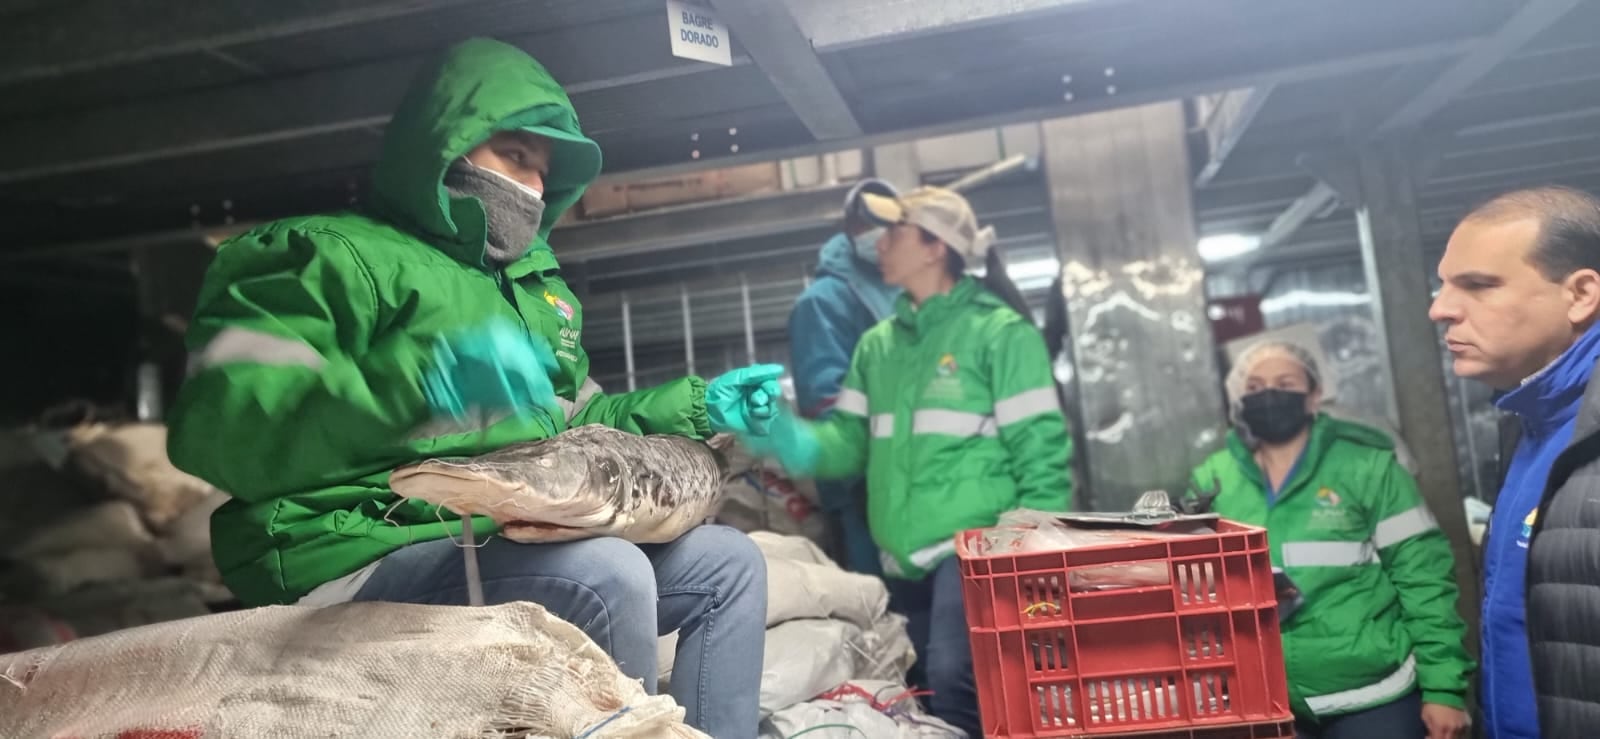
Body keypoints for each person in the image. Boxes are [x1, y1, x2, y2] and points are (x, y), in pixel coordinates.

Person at [164, 37, 779, 739]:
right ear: (442, 145)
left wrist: (698, 406)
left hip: (482, 533)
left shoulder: (532, 293)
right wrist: (421, 381)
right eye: (516, 158)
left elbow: (569, 425)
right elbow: (225, 429)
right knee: (605, 576)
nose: (534, 190)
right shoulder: (318, 255)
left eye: (544, 173)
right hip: (347, 546)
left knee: (728, 564)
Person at [732, 185, 1074, 735]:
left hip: (977, 550)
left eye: (896, 232)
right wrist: (776, 430)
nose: (879, 243)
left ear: (936, 246)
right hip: (900, 557)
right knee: (922, 688)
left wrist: (1029, 559)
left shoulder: (1000, 334)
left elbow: (1043, 456)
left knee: (955, 676)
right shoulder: (878, 347)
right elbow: (846, 445)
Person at [1187, 339, 1473, 739]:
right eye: (1254, 387)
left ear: (1314, 395)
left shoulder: (1367, 466)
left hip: (1372, 696)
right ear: (1239, 400)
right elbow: (1193, 589)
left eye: (1285, 382)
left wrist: (1444, 688)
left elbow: (1424, 577)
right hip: (1264, 700)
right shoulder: (1214, 481)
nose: (1268, 395)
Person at [1430, 185, 1600, 739]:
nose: (1440, 308)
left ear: (1580, 294)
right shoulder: (1531, 424)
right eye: (1445, 284)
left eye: (1477, 285)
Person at [786, 177, 902, 576]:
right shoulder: (821, 303)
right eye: (868, 223)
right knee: (888, 605)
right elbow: (826, 401)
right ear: (851, 229)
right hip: (862, 488)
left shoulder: (897, 292)